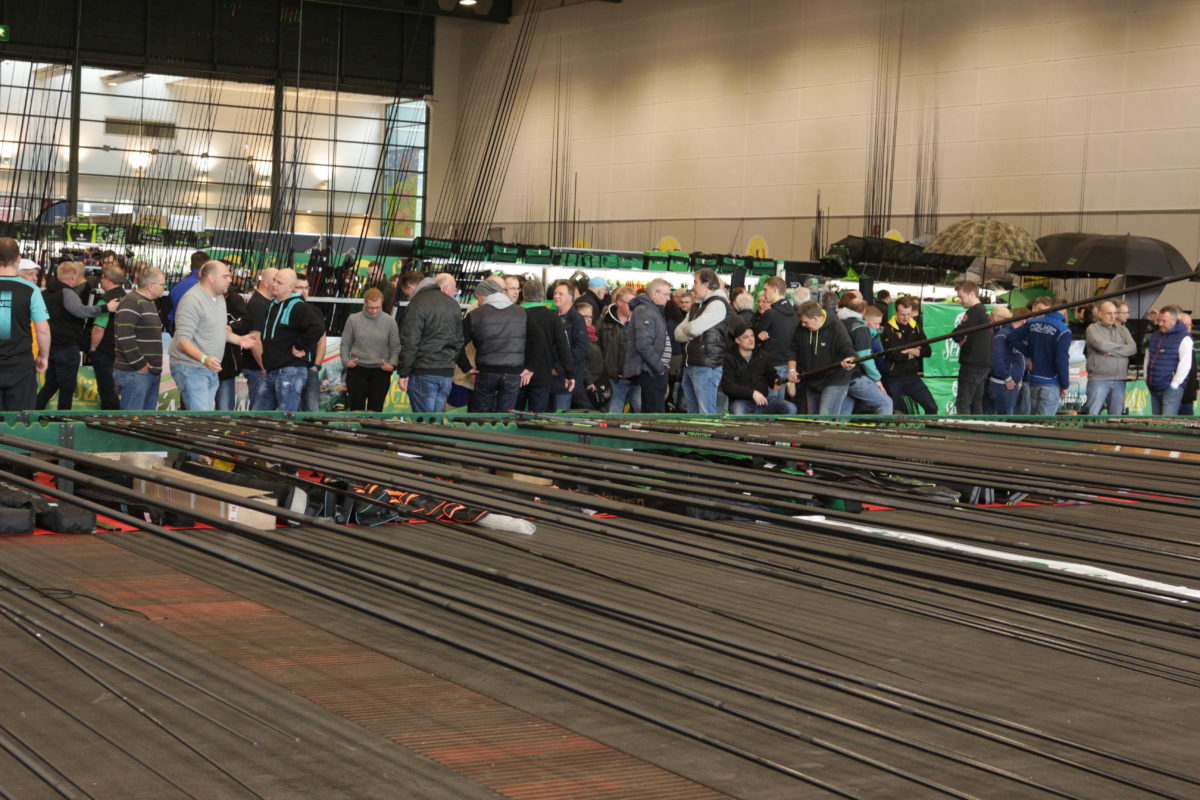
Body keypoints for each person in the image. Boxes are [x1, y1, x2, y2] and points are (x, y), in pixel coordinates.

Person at [169, 260, 258, 411]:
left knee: (204, 417)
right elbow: (182, 341)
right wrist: (205, 359)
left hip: (209, 368)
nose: (230, 280)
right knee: (200, 417)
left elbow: (219, 330)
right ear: (211, 277)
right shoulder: (192, 300)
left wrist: (239, 340)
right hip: (190, 368)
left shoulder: (220, 298)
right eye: (225, 276)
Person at [37, 261, 118, 410]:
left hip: (51, 346)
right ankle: (62, 419)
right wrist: (106, 307)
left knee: (51, 385)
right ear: (74, 276)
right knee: (67, 388)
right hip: (67, 347)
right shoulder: (67, 293)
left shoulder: (45, 293)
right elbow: (80, 311)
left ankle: (33, 412)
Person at [250, 268, 325, 411]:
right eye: (274, 280)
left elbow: (318, 327)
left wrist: (300, 345)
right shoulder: (275, 304)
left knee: (286, 416)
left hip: (290, 371)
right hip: (272, 370)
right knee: (258, 415)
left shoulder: (299, 306)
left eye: (279, 282)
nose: (274, 284)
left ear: (291, 287)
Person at [457, 278, 529, 413]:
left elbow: (456, 343)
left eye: (478, 297)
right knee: (505, 417)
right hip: (513, 373)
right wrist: (529, 368)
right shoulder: (522, 313)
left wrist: (467, 368)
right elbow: (535, 342)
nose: (477, 302)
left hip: (485, 372)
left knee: (481, 416)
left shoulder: (475, 314)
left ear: (485, 295)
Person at [397, 273, 464, 413]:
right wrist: (449, 361)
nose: (408, 296)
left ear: (412, 287)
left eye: (407, 293)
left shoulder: (417, 303)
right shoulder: (453, 304)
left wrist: (404, 373)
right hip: (446, 373)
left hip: (423, 371)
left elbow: (410, 342)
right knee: (436, 420)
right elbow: (459, 341)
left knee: (423, 421)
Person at [0, 239, 50, 410]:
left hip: (19, 364)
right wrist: (43, 356)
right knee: (19, 420)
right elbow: (43, 330)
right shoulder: (31, 289)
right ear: (18, 259)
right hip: (20, 365)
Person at [674, 269, 732, 414]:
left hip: (706, 366)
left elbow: (693, 328)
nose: (692, 286)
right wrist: (691, 330)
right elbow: (677, 334)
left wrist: (690, 329)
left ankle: (706, 431)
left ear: (706, 284)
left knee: (706, 414)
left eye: (695, 282)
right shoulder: (697, 305)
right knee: (693, 413)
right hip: (691, 364)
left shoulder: (718, 304)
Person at [787, 300, 855, 414]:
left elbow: (848, 349)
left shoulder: (836, 326)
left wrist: (851, 360)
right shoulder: (802, 326)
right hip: (811, 379)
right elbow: (793, 348)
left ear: (815, 319)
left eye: (805, 322)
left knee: (825, 417)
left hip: (834, 379)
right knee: (814, 419)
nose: (802, 325)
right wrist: (792, 370)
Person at [113, 267, 167, 410]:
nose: (164, 287)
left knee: (144, 419)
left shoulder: (149, 302)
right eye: (162, 284)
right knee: (132, 419)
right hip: (135, 373)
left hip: (148, 372)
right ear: (150, 286)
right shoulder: (132, 301)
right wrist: (140, 364)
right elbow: (125, 335)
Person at [518, 279, 573, 413]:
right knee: (536, 418)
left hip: (517, 373)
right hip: (542, 375)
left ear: (524, 294)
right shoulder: (552, 317)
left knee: (512, 416)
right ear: (542, 295)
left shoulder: (515, 314)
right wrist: (569, 374)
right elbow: (563, 347)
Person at [341, 288, 400, 412]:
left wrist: (392, 364)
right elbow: (345, 343)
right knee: (356, 411)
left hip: (381, 371)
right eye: (370, 308)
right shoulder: (353, 319)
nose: (374, 311)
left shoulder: (390, 321)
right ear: (365, 303)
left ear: (382, 304)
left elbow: (395, 346)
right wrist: (346, 361)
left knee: (375, 411)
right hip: (357, 370)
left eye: (377, 307)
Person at [1012, 294, 1071, 416]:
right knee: (1045, 423)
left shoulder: (1032, 323)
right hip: (1051, 382)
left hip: (1033, 379)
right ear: (1065, 310)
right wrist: (1065, 385)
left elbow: (1012, 338)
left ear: (1051, 306)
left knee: (1034, 420)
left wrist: (1030, 354)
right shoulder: (1064, 330)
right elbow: (1061, 360)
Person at [877, 296, 937, 414]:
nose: (906, 318)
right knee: (893, 412)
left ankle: (926, 426)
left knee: (932, 408)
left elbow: (927, 351)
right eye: (902, 314)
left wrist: (910, 351)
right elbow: (897, 356)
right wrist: (916, 351)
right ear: (896, 312)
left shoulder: (916, 326)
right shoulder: (888, 330)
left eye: (909, 314)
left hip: (912, 376)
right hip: (893, 378)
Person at [722, 320, 796, 415]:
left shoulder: (764, 356)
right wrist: (752, 393)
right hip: (741, 402)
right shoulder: (729, 358)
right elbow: (728, 386)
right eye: (746, 337)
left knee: (790, 408)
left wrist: (782, 380)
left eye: (752, 336)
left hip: (765, 401)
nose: (751, 339)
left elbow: (772, 378)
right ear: (737, 340)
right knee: (738, 410)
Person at [624, 278, 672, 413]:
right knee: (654, 414)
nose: (669, 299)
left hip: (653, 370)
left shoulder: (652, 310)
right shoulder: (646, 311)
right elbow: (643, 345)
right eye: (666, 294)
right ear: (655, 294)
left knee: (652, 413)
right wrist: (659, 368)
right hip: (651, 372)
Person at [840, 297, 892, 414]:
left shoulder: (840, 323)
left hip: (841, 378)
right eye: (876, 323)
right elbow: (865, 359)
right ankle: (884, 427)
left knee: (845, 411)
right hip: (855, 377)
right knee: (886, 403)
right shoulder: (860, 328)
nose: (878, 327)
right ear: (864, 314)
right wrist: (877, 379)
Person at [1084, 300, 1136, 416]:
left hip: (1119, 379)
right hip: (1098, 379)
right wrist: (1122, 350)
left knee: (1116, 418)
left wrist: (1111, 352)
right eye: (1109, 313)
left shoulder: (1123, 330)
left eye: (1115, 313)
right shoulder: (1092, 329)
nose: (1113, 316)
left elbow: (1133, 349)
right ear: (1100, 314)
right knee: (1092, 416)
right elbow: (1100, 345)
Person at [87, 262, 127, 410]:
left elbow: (99, 328)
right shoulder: (127, 297)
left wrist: (92, 349)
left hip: (104, 350)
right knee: (117, 390)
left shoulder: (106, 300)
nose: (101, 281)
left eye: (102, 278)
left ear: (108, 279)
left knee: (106, 390)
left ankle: (111, 418)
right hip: (122, 349)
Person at [752, 276, 798, 401]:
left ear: (775, 289)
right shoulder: (794, 314)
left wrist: (758, 336)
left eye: (765, 289)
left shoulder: (770, 313)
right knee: (778, 403)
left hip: (771, 365)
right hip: (787, 363)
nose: (764, 293)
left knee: (769, 403)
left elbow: (754, 337)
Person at [950, 280, 991, 415]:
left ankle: (965, 426)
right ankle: (977, 426)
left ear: (972, 294)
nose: (960, 301)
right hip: (983, 364)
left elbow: (957, 334)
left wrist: (958, 335)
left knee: (963, 402)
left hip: (972, 363)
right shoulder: (983, 311)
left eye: (961, 297)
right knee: (976, 403)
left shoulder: (974, 311)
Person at [1144, 304, 1192, 415]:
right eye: (1159, 320)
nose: (1160, 324)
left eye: (1164, 321)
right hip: (1153, 386)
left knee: (1167, 422)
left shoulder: (1184, 338)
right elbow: (1148, 357)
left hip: (1171, 389)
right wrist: (1146, 377)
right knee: (1156, 421)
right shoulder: (1155, 335)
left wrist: (1174, 385)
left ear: (1174, 321)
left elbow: (1185, 365)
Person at [597, 285, 638, 412]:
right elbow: (597, 348)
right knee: (613, 413)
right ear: (619, 302)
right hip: (613, 378)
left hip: (637, 377)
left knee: (642, 410)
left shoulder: (640, 321)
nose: (633, 306)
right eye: (630, 303)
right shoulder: (604, 322)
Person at [551, 280, 588, 412]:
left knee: (559, 417)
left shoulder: (577, 320)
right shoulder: (551, 317)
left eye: (560, 294)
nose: (556, 296)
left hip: (566, 379)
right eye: (555, 293)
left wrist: (559, 367)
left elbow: (581, 349)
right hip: (549, 378)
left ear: (570, 298)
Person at [293, 273, 328, 412]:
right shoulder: (285, 309)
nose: (304, 291)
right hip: (290, 368)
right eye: (299, 287)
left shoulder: (315, 312)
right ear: (291, 288)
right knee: (290, 411)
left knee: (312, 411)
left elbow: (322, 341)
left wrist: (316, 366)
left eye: (306, 288)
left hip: (310, 369)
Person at [243, 267, 276, 403]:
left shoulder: (268, 302)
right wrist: (263, 367)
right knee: (260, 408)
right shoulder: (258, 304)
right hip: (258, 369)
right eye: (276, 281)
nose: (278, 284)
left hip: (263, 368)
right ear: (267, 283)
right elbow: (255, 339)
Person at [988, 306, 1027, 415]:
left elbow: (1020, 358)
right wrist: (1008, 379)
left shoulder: (1017, 335)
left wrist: (1019, 380)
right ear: (1024, 321)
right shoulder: (1003, 334)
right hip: (1003, 385)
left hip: (1011, 385)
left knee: (1007, 417)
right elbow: (996, 358)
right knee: (1004, 419)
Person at [166, 250, 210, 333]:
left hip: (178, 328)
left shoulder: (177, 286)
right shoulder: (209, 286)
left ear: (190, 266)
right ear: (207, 267)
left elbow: (168, 312)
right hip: (200, 331)